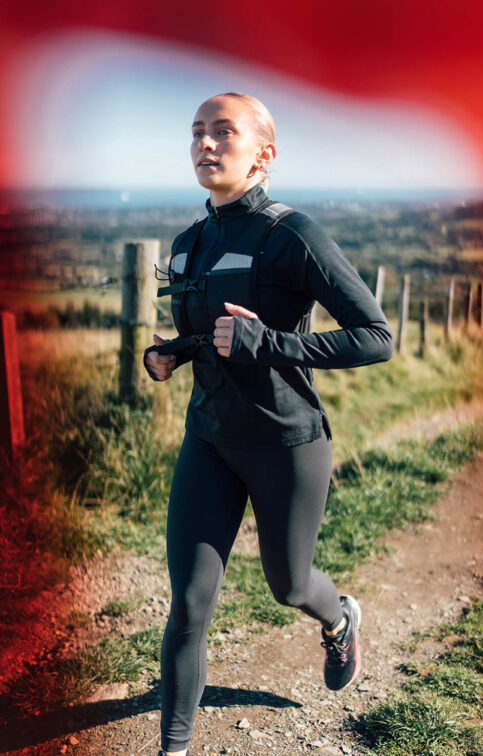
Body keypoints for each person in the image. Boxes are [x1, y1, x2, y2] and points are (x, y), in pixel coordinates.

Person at [143, 92, 393, 756]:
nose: (205, 143)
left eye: (223, 132)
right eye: (196, 131)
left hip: (288, 446)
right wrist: (172, 350)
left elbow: (376, 337)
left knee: (288, 586)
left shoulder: (293, 235)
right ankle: (173, 748)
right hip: (210, 441)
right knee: (190, 605)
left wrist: (275, 345)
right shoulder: (189, 242)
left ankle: (339, 618)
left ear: (264, 155)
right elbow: (211, 333)